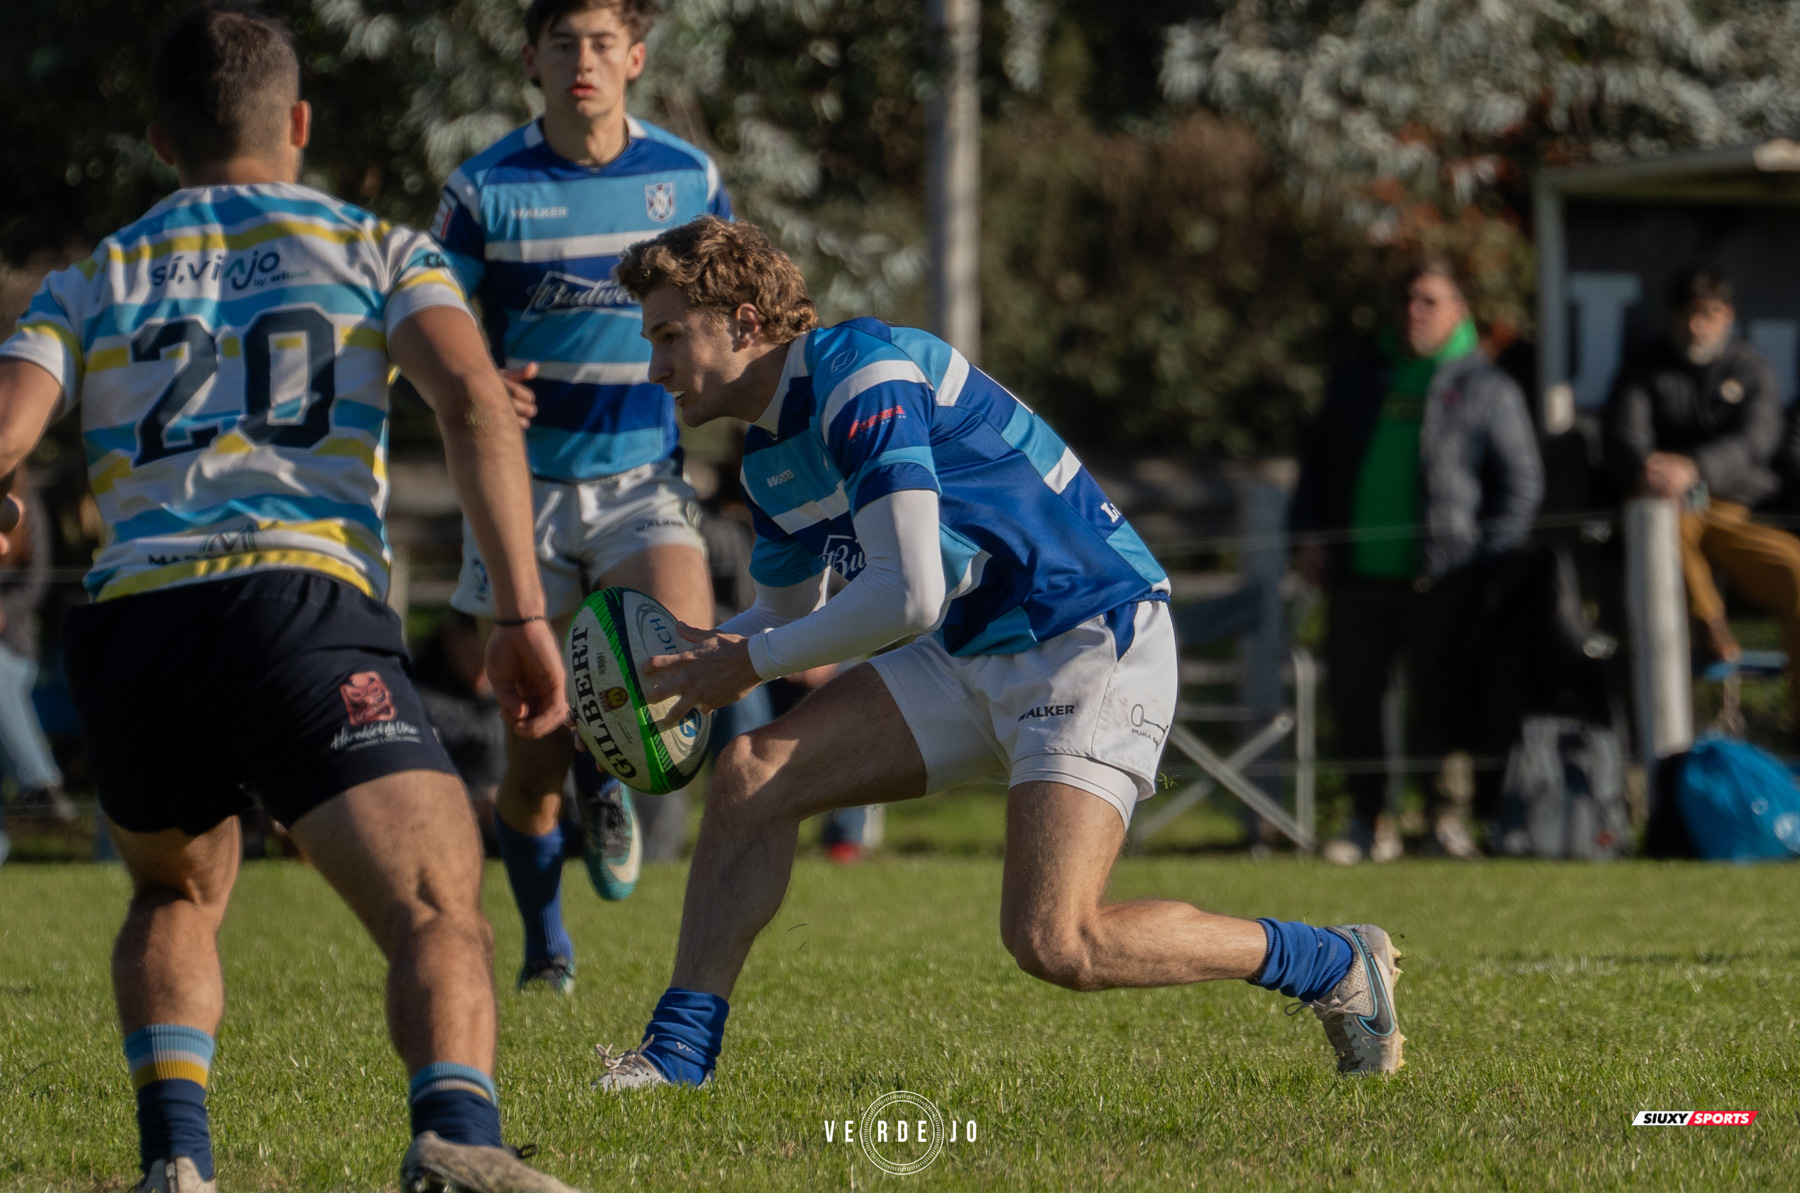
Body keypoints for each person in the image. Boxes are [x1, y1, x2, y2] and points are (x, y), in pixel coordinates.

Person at [582, 216, 1405, 1090]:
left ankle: (1329, 961)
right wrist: (691, 664)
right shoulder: (770, 457)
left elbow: (908, 594)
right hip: (966, 648)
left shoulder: (864, 375)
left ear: (745, 323)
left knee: (1059, 941)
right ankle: (676, 1059)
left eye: (670, 337)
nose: (656, 368)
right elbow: (785, 612)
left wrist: (746, 663)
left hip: (1086, 634)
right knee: (753, 774)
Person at [0, 9, 576, 1191]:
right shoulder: (378, 246)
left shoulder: (93, 274)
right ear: (300, 123)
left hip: (132, 627)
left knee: (175, 886)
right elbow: (473, 400)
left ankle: (178, 1163)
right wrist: (520, 612)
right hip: (297, 606)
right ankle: (458, 1143)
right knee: (435, 898)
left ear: (162, 140)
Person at [431, 0, 726, 994]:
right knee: (530, 759)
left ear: (636, 57)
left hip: (642, 477)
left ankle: (613, 779)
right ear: (533, 60)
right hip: (521, 496)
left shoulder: (687, 178)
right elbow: (422, 316)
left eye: (603, 43)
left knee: (681, 653)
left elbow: (719, 309)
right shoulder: (485, 188)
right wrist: (475, 372)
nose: (583, 61)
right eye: (564, 44)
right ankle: (546, 942)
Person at [1291, 259, 1542, 864]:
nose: (1416, 310)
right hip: (1357, 577)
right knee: (1356, 701)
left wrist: (1485, 564)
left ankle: (1445, 822)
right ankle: (1366, 820)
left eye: (1431, 300)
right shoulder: (1358, 378)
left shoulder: (1488, 387)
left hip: (1447, 577)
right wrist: (1309, 537)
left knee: (1442, 701)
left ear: (1460, 312)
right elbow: (1317, 466)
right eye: (1409, 298)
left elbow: (1522, 487)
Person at [1604, 265, 1800, 699]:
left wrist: (1693, 468)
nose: (1697, 326)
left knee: (1796, 572)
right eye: (1688, 313)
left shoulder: (1751, 369)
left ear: (1727, 316)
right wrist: (1653, 471)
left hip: (1737, 511)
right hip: (1666, 507)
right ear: (1672, 316)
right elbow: (1623, 436)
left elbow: (1757, 440)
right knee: (1662, 514)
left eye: (1708, 314)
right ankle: (1710, 625)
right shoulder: (1643, 368)